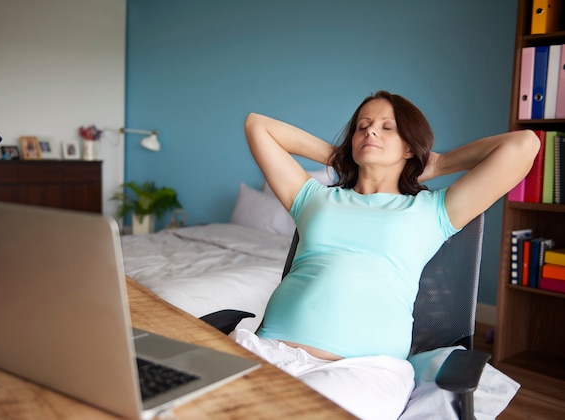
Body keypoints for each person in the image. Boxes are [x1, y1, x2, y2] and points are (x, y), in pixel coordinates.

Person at [230, 91, 539, 419]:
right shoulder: (313, 197)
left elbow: (524, 145)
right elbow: (257, 125)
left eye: (387, 127)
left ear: (410, 146)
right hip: (269, 351)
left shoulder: (431, 210)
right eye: (363, 126)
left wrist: (441, 163)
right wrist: (341, 155)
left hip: (361, 372)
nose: (370, 131)